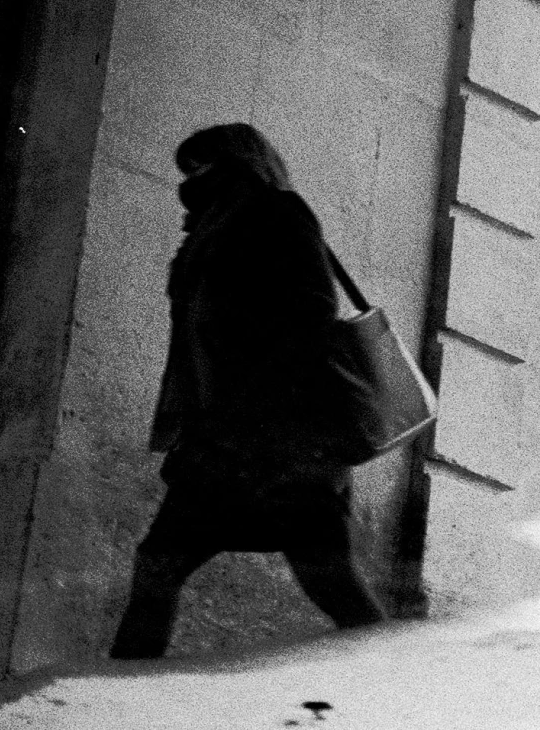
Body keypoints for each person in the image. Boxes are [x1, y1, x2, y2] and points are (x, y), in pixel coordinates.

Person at [110, 122, 388, 658]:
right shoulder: (211, 225)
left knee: (329, 579)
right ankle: (123, 695)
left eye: (201, 164)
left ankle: (401, 687)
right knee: (157, 567)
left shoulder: (279, 212)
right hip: (225, 441)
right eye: (186, 168)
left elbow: (313, 312)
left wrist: (253, 373)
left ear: (239, 160)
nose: (190, 177)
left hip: (282, 443)